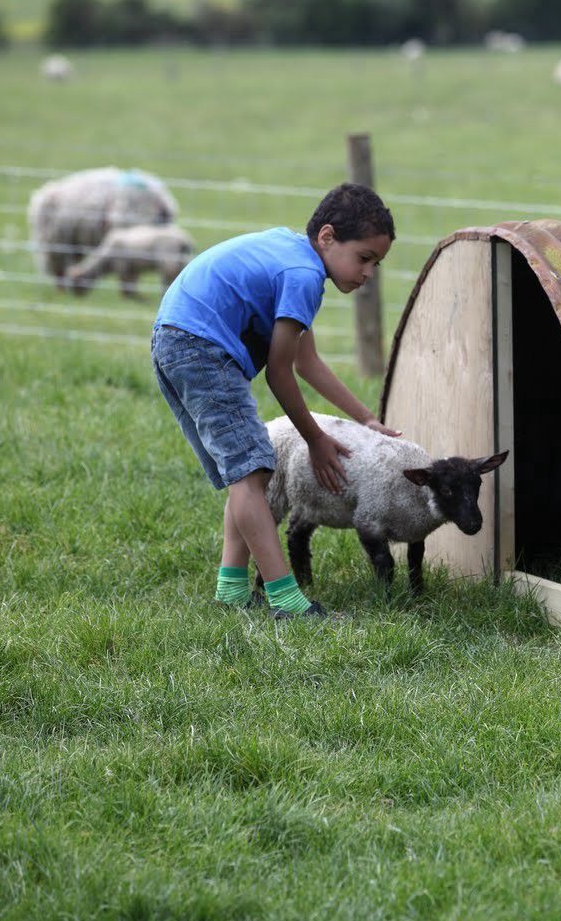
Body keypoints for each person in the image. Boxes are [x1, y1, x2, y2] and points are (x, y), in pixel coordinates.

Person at [151, 182, 398, 619]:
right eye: (364, 258)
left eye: (376, 264)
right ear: (327, 237)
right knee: (253, 470)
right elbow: (280, 374)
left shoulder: (297, 260)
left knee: (250, 473)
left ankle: (231, 591)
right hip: (198, 345)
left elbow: (307, 362)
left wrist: (365, 419)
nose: (368, 274)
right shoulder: (303, 277)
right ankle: (286, 600)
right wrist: (316, 439)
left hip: (178, 337)